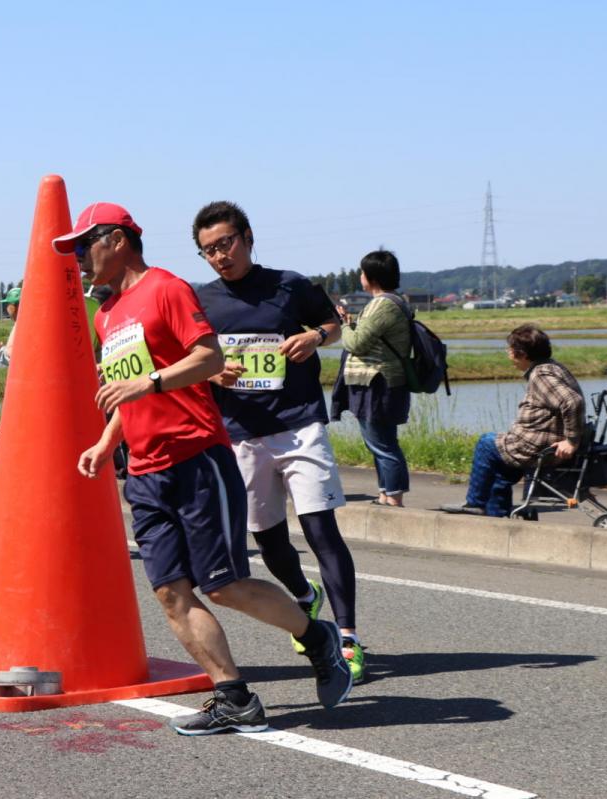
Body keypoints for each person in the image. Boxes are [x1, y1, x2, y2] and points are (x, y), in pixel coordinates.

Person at [57, 201, 350, 736]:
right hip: (144, 472)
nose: (77, 258)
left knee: (224, 585)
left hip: (197, 458)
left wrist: (150, 383)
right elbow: (128, 394)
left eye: (83, 245)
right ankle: (233, 696)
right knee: (170, 592)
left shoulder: (167, 289)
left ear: (117, 240)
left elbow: (209, 358)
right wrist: (105, 442)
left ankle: (318, 638)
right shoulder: (107, 315)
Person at [192, 200, 365, 683]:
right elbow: (194, 357)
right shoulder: (201, 300)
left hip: (299, 423)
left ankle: (347, 639)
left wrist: (314, 337)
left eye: (225, 243)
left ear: (247, 237)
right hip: (241, 433)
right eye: (208, 250)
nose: (219, 256)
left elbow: (333, 324)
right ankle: (304, 598)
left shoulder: (291, 285)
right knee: (266, 538)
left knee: (320, 528)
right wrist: (214, 372)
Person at [442, 324, 584, 516]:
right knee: (500, 469)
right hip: (538, 442)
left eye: (510, 350)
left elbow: (572, 401)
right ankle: (497, 515)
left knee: (486, 443)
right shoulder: (552, 367)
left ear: (522, 354)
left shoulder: (541, 375)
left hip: (536, 446)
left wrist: (571, 441)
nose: (508, 354)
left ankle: (474, 502)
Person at [332, 250, 412, 507]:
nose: (360, 276)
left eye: (363, 272)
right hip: (379, 381)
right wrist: (351, 322)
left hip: (377, 382)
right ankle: (385, 494)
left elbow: (356, 342)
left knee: (381, 443)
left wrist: (344, 326)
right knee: (381, 441)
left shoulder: (383, 304)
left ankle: (394, 497)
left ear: (372, 276)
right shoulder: (391, 302)